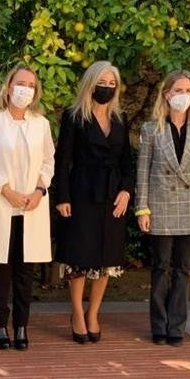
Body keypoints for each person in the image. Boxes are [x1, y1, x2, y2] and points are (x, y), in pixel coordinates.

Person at [52, 60, 134, 344]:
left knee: (107, 258)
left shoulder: (120, 118)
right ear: (91, 83)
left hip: (113, 196)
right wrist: (61, 196)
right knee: (80, 256)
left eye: (113, 84)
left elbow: (127, 160)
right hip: (81, 192)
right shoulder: (74, 116)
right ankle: (76, 312)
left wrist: (126, 190)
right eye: (103, 82)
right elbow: (62, 160)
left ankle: (93, 313)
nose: (107, 88)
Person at [135, 70, 190, 347]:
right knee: (160, 267)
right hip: (160, 206)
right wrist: (142, 208)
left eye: (187, 91)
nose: (183, 96)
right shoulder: (151, 129)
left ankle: (177, 325)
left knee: (183, 268)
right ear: (166, 94)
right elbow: (142, 171)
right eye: (177, 90)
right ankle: (159, 324)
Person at [0, 65, 55, 351]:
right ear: (9, 87)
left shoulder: (41, 123)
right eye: (20, 83)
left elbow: (49, 160)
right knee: (1, 270)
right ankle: (0, 326)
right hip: (1, 203)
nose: (25, 89)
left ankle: (21, 326)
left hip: (32, 205)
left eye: (31, 85)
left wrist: (39, 190)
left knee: (25, 271)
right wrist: (6, 189)